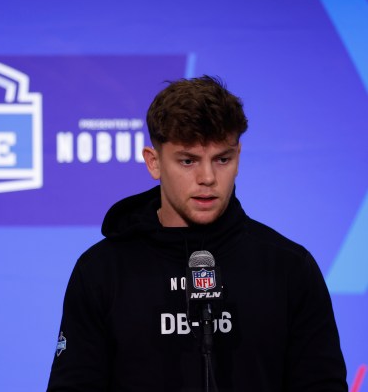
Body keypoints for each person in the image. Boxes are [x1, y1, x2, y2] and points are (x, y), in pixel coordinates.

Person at [46, 76, 347, 391]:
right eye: (188, 161)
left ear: (238, 157)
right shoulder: (101, 271)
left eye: (222, 159)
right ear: (154, 162)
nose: (207, 178)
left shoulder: (289, 268)